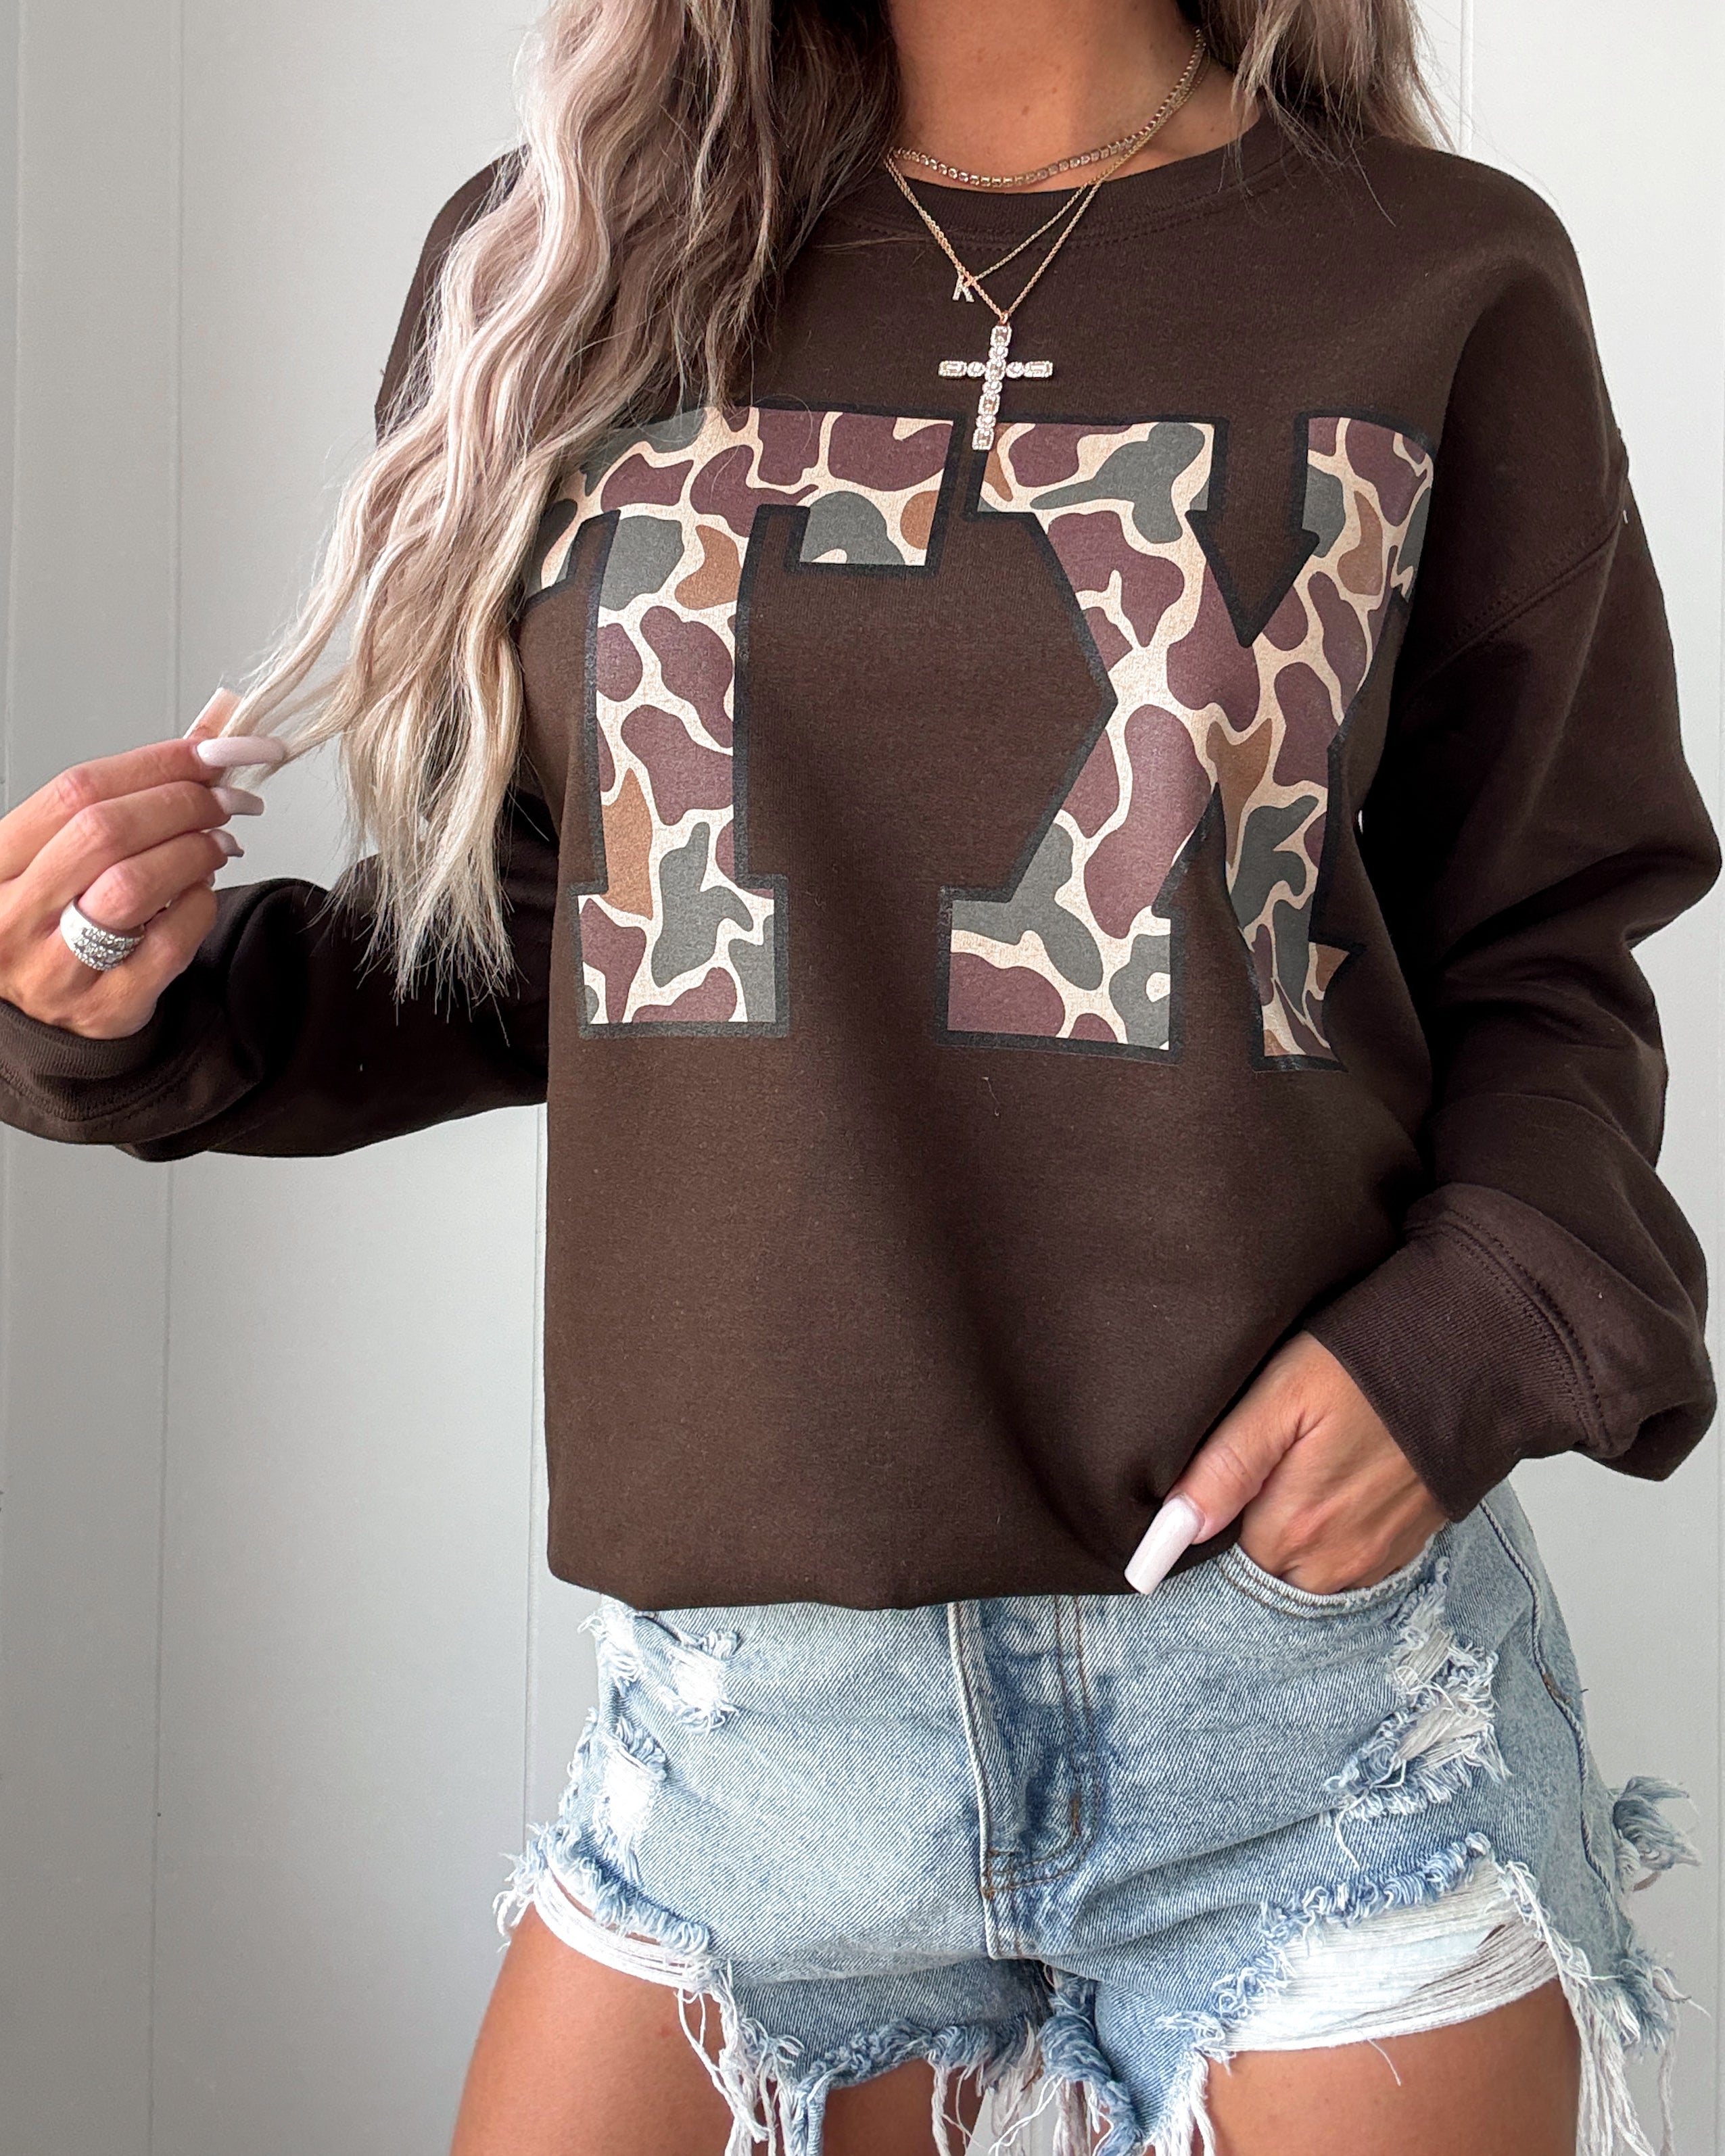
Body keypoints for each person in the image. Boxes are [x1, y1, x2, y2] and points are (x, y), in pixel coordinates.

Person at [0, 1, 1714, 2151]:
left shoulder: (1437, 272)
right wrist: (137, 1004)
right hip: (766, 1717)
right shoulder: (565, 261)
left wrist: (1463, 1343)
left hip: (1301, 1690)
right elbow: (571, 929)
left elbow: (1549, 933)